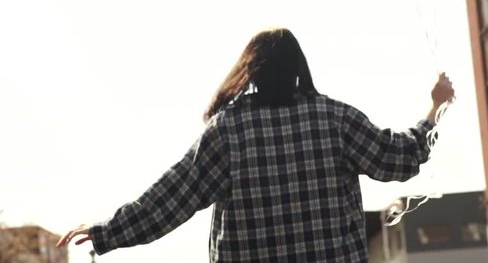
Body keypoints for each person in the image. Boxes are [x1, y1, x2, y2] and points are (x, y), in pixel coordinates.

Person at [57, 28, 455, 262]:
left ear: (250, 71)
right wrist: (435, 107)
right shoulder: (336, 120)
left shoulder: (228, 131)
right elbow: (400, 158)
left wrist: (107, 231)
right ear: (300, 68)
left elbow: (170, 200)